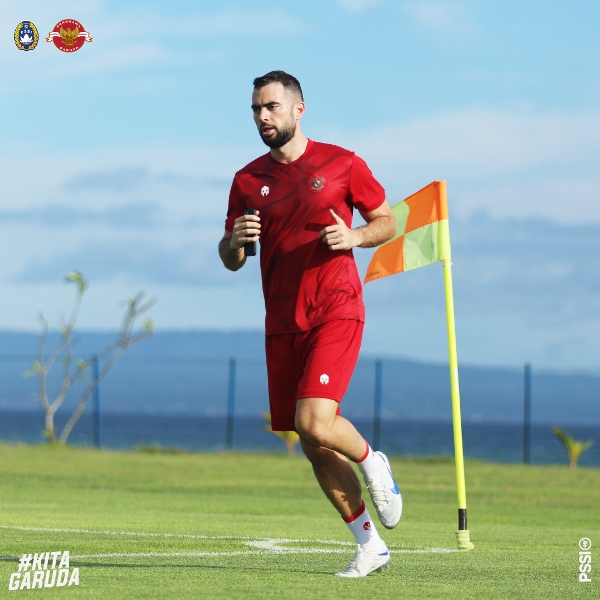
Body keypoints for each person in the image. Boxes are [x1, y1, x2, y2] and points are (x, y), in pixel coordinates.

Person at [218, 70, 401, 578]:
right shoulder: (246, 180)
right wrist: (234, 240)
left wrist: (358, 238)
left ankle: (372, 461)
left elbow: (388, 220)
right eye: (255, 109)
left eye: (271, 106)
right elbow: (231, 259)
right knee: (314, 445)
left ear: (299, 110)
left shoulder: (343, 162)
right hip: (281, 321)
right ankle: (370, 546)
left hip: (335, 309)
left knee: (313, 422)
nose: (262, 117)